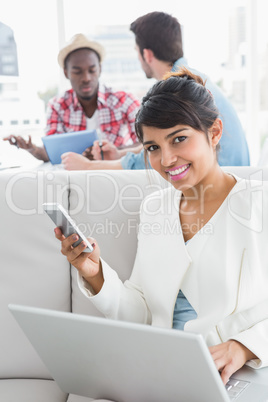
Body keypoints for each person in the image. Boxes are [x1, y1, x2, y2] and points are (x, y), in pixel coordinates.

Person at [54, 68, 268, 387]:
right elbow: (142, 313)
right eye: (153, 147)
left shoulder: (258, 205)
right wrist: (95, 273)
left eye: (179, 139)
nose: (166, 160)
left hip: (237, 378)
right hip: (163, 376)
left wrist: (243, 347)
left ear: (215, 132)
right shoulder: (156, 209)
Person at [61, 11, 250, 171]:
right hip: (235, 175)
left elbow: (166, 154)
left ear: (147, 54)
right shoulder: (192, 79)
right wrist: (119, 154)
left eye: (137, 52)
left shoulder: (178, 91)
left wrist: (88, 166)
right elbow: (164, 142)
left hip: (217, 179)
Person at [3, 34, 140, 162]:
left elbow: (145, 143)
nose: (86, 78)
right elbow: (51, 153)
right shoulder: (57, 106)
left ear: (100, 69)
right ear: (66, 73)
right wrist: (33, 149)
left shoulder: (124, 100)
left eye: (92, 70)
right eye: (77, 71)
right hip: (76, 179)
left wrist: (114, 152)